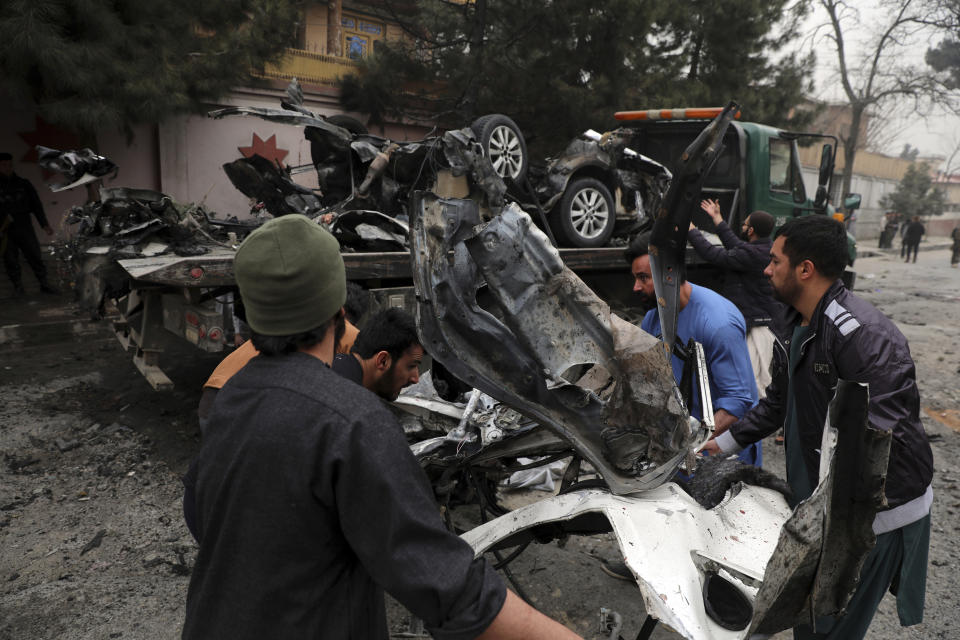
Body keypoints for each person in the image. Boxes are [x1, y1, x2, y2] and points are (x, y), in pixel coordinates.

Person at [181, 214, 578, 640]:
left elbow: (201, 516)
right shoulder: (353, 420)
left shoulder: (231, 399)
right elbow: (447, 587)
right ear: (338, 308)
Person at [702, 215, 933, 640]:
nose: (766, 269)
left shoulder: (864, 336)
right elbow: (778, 403)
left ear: (805, 269)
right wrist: (721, 445)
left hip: (872, 519)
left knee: (826, 630)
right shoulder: (794, 322)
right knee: (809, 625)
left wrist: (825, 529)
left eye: (774, 261)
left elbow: (881, 443)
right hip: (827, 511)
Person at [625, 231, 761, 467]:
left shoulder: (718, 323)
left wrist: (686, 443)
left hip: (720, 455)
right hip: (681, 451)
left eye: (643, 278)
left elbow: (736, 404)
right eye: (635, 278)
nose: (636, 287)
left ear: (670, 275)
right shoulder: (653, 318)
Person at [688, 200, 784, 398]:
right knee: (752, 376)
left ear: (751, 231)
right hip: (759, 321)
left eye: (744, 224)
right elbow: (736, 244)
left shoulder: (751, 254)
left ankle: (759, 423)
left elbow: (713, 254)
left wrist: (691, 231)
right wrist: (717, 218)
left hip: (759, 327)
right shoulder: (763, 248)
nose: (742, 227)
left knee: (756, 380)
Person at [333, 306, 423, 400]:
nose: (416, 379)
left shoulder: (332, 367)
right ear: (383, 361)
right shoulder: (353, 403)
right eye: (411, 366)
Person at [0, 152, 56, 296]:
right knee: (10, 259)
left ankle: (44, 283)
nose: (7, 168)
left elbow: (36, 205)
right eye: (4, 165)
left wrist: (44, 224)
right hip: (5, 228)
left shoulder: (23, 184)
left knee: (34, 255)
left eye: (9, 165)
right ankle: (18, 287)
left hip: (24, 225)